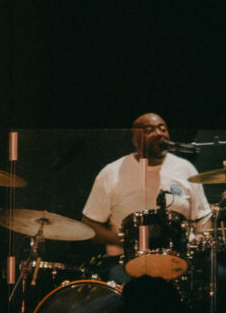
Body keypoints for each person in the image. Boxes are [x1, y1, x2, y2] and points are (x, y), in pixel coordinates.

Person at [81, 113, 210, 284]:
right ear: (135, 138)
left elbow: (203, 216)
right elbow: (90, 224)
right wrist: (128, 242)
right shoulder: (111, 173)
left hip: (177, 261)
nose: (159, 133)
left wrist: (200, 238)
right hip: (123, 262)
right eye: (150, 130)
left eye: (162, 129)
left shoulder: (185, 168)